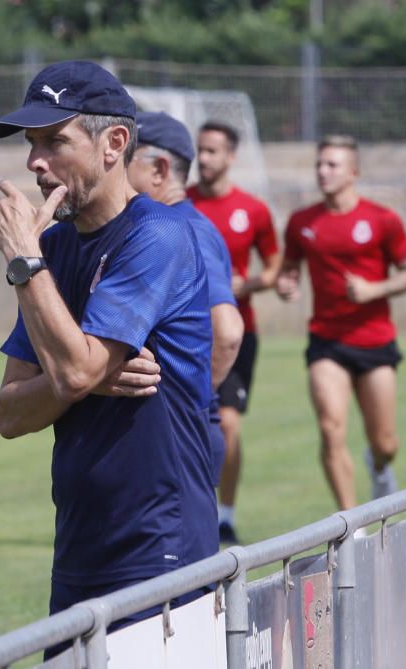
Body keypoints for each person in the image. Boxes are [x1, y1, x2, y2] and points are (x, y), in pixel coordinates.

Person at [0, 61, 217, 654]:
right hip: (79, 551)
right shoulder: (54, 248)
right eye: (31, 146)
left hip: (160, 548)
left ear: (114, 143)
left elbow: (74, 370)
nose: (36, 163)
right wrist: (82, 376)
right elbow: (10, 414)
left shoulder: (156, 235)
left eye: (54, 142)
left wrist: (23, 263)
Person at [276, 135, 406, 510]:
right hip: (327, 341)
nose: (323, 171)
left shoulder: (382, 220)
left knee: (385, 442)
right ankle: (350, 523)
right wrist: (286, 284)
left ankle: (379, 465)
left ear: (353, 172)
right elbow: (289, 269)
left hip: (375, 341)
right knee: (330, 427)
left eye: (332, 165)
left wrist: (376, 289)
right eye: (319, 164)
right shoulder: (302, 222)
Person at [128, 111, 244, 494]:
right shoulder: (171, 223)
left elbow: (227, 333)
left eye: (127, 156)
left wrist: (186, 405)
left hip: (180, 434)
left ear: (160, 169)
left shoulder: (182, 228)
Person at [188, 120, 281, 544]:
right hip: (185, 334)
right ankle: (189, 508)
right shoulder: (180, 204)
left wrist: (252, 283)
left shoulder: (254, 210)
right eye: (200, 150)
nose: (204, 158)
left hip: (236, 333)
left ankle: (224, 512)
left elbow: (275, 265)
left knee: (226, 424)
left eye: (212, 151)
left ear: (230, 156)